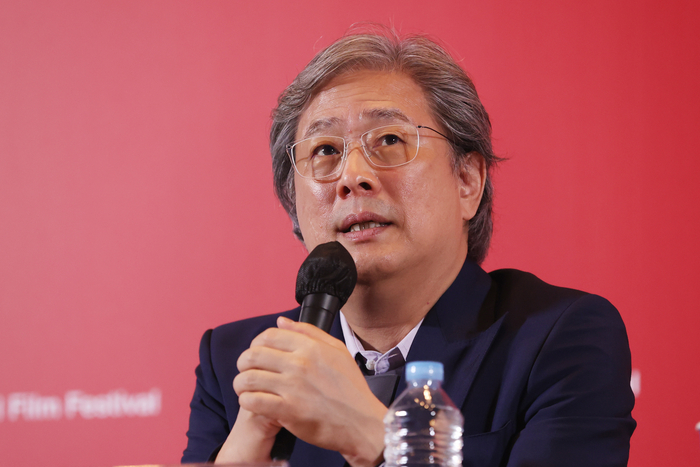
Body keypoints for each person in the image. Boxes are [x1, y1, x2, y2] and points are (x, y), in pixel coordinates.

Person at [182, 28, 635, 467]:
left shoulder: (558, 340)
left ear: (467, 181)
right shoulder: (236, 364)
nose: (352, 176)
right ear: (293, 201)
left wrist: (375, 439)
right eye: (325, 150)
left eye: (390, 140)